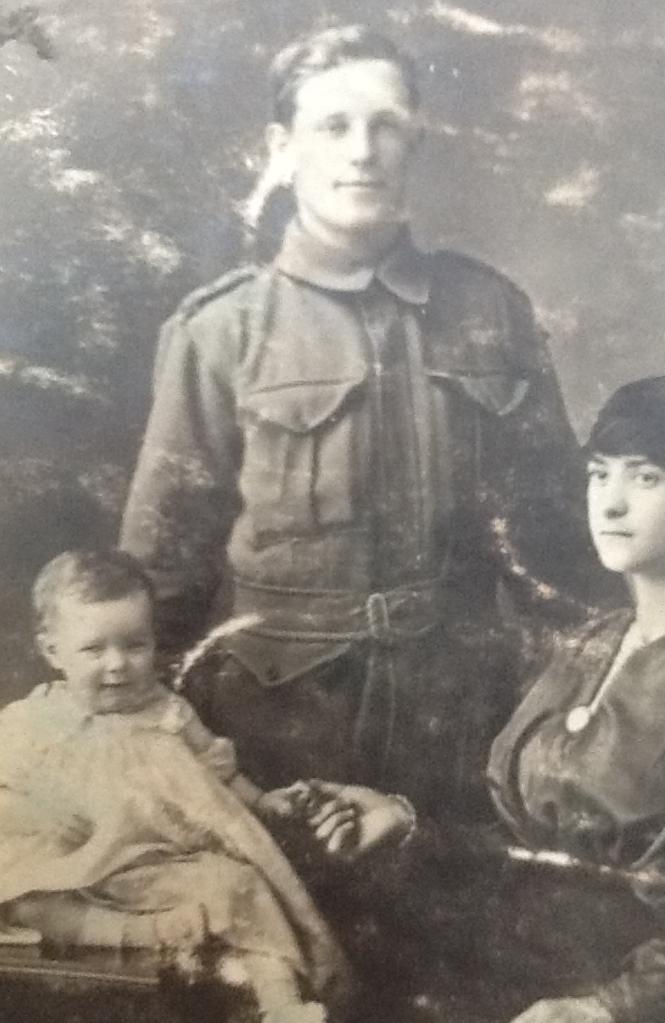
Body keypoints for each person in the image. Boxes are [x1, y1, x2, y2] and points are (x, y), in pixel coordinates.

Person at [119, 24, 593, 820]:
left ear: (415, 142)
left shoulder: (489, 313)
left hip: (462, 726)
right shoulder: (223, 329)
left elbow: (565, 552)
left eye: (385, 126)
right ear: (283, 146)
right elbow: (159, 576)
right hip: (274, 732)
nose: (362, 150)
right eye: (333, 126)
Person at [302, 376, 665, 1023]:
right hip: (513, 959)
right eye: (600, 475)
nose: (609, 504)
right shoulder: (594, 640)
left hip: (647, 990)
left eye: (647, 478)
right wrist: (409, 823)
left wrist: (607, 1009)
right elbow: (538, 841)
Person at [0, 550, 351, 1023]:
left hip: (159, 866)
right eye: (94, 649)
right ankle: (149, 933)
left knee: (239, 885)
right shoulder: (29, 722)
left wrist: (262, 801)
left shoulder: (168, 714)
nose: (117, 664)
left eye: (135, 645)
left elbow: (219, 774)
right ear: (51, 651)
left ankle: (282, 1004)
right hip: (73, 868)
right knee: (25, 896)